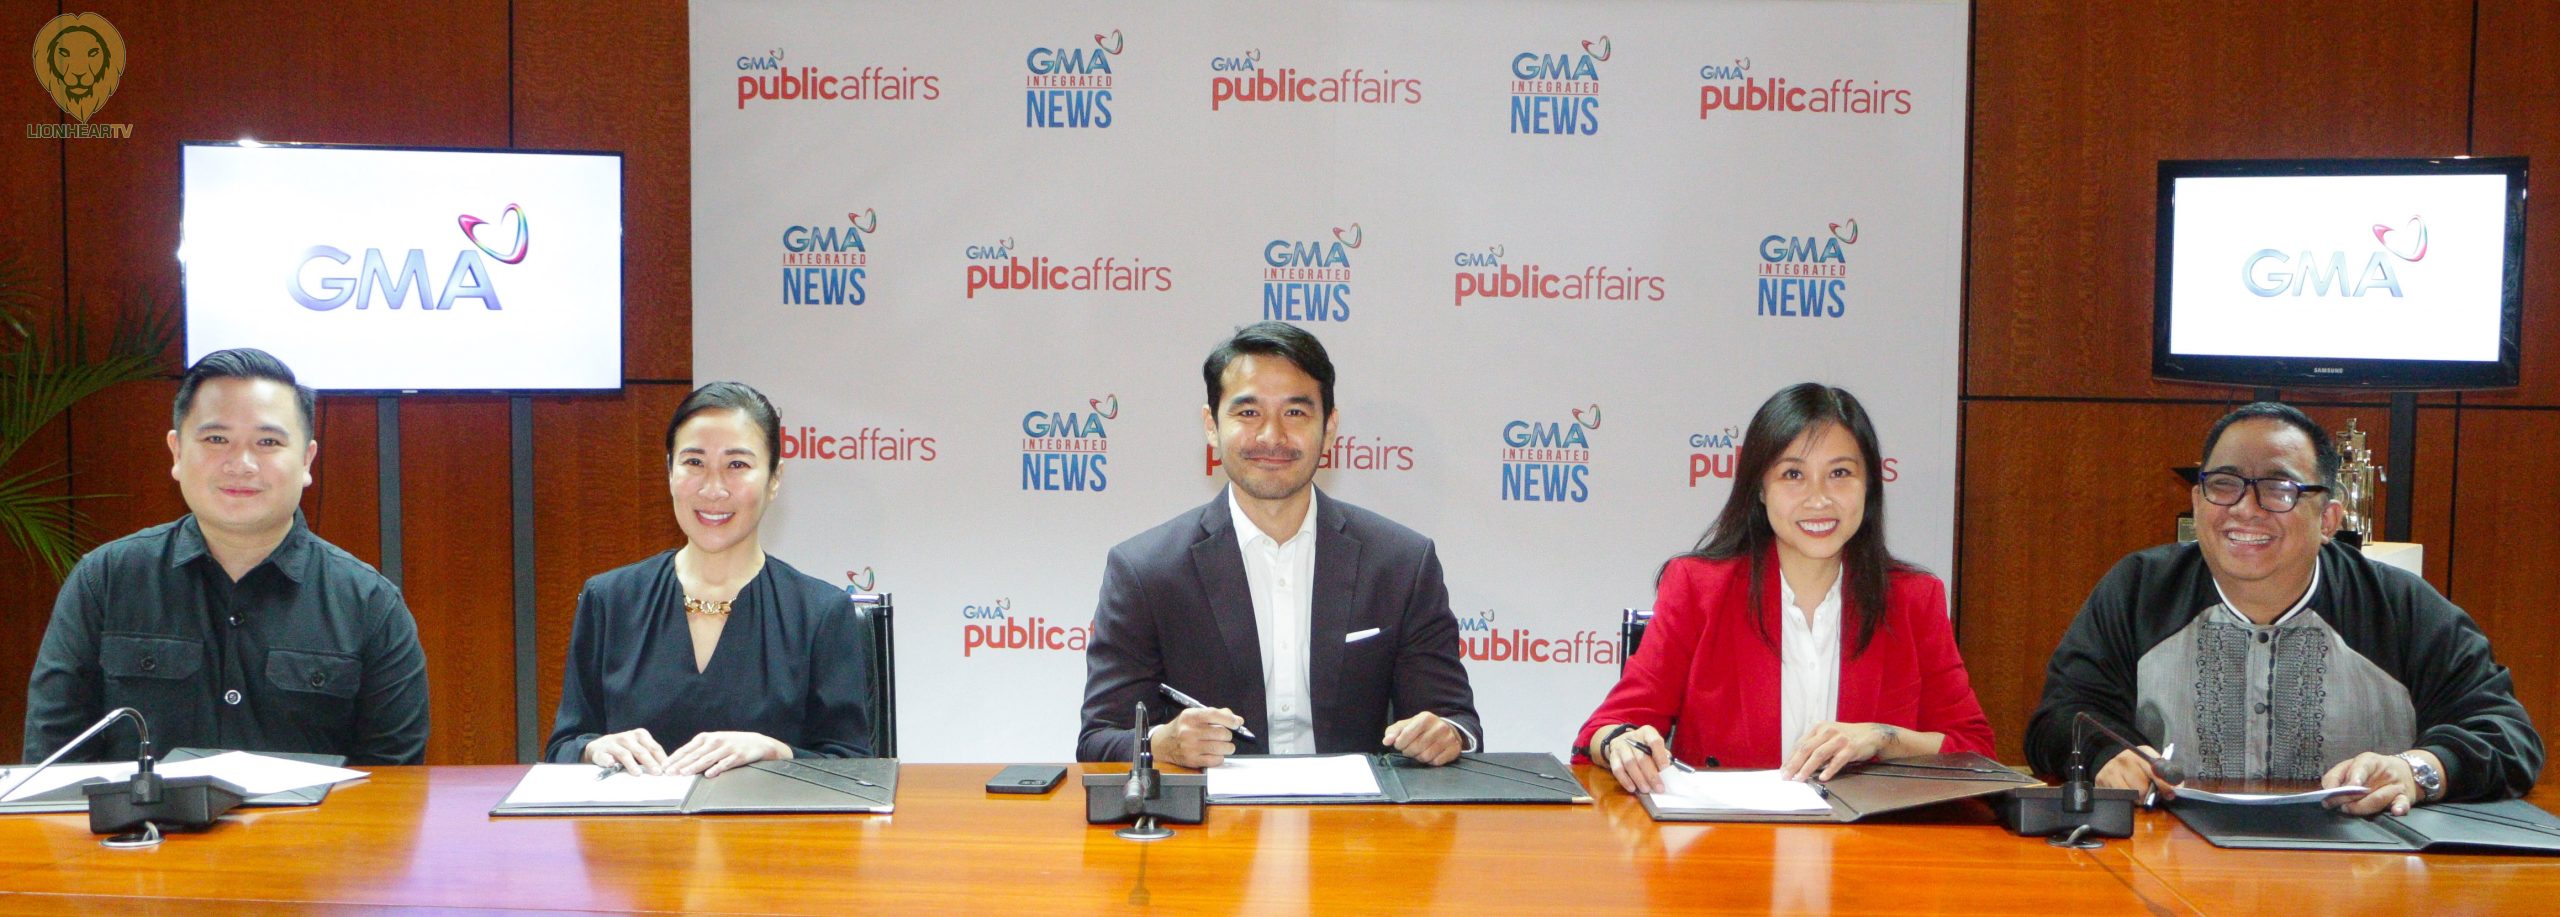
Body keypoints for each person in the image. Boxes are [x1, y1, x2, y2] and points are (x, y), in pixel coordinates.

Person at [2027, 402, 2541, 816]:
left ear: (2329, 519)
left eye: (2279, 489)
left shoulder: (2398, 606)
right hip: (2173, 862)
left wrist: (2417, 770)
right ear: (2198, 502)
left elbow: (2505, 734)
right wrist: (2106, 755)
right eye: (2224, 484)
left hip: (2361, 875)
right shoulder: (2140, 591)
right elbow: (2061, 717)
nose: (2245, 509)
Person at [1077, 322, 1480, 767]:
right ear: (1211, 426)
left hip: (1361, 810)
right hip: (1209, 808)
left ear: (1329, 427)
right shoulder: (1146, 571)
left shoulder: (1401, 563)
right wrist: (1161, 743)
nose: (1271, 436)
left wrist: (1445, 735)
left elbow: (1455, 719)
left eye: (1295, 413)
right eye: (1249, 413)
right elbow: (1100, 738)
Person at [1577, 383, 1992, 793]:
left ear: (1869, 484)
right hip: (1726, 833)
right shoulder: (1699, 589)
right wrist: (1620, 743)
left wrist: (1882, 738)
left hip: (1867, 835)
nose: (1818, 499)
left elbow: (1976, 753)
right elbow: (1605, 728)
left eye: (1840, 473)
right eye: (1793, 474)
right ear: (1760, 488)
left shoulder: (1913, 599)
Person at [24, 348, 428, 764]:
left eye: (268, 442)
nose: (241, 464)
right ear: (177, 452)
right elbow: (52, 766)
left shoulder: (369, 604)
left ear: (307, 460)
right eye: (216, 439)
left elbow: (394, 784)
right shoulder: (105, 581)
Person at [545, 382, 873, 776]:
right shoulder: (610, 599)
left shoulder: (820, 612)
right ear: (669, 471)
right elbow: (563, 747)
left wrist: (776, 752)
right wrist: (593, 749)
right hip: (638, 818)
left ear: (774, 478)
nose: (713, 489)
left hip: (765, 818)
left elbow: (855, 769)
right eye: (694, 462)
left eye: (737, 465)